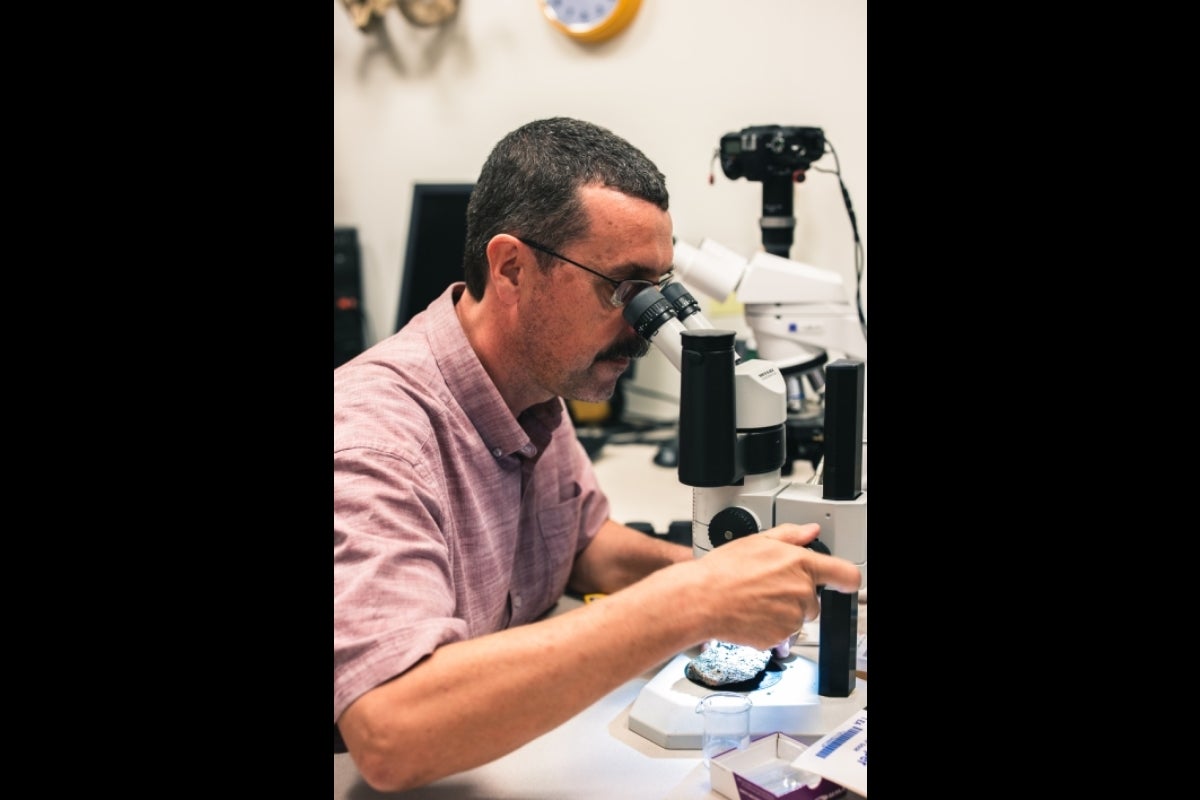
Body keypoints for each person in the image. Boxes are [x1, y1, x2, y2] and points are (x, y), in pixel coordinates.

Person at [333, 116, 862, 792]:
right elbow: (391, 734)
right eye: (623, 288)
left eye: (658, 288)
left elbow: (582, 545)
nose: (644, 329)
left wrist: (737, 577)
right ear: (513, 268)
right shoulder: (372, 438)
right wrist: (691, 600)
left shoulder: (533, 387)